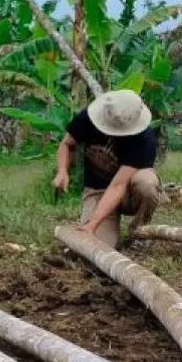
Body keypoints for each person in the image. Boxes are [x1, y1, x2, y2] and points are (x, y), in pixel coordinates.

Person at [52, 89, 161, 248]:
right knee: (98, 245)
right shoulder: (87, 118)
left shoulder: (145, 139)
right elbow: (67, 144)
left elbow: (118, 186)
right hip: (98, 191)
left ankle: (139, 232)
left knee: (147, 183)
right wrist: (62, 171)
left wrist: (92, 224)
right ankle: (102, 226)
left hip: (128, 191)